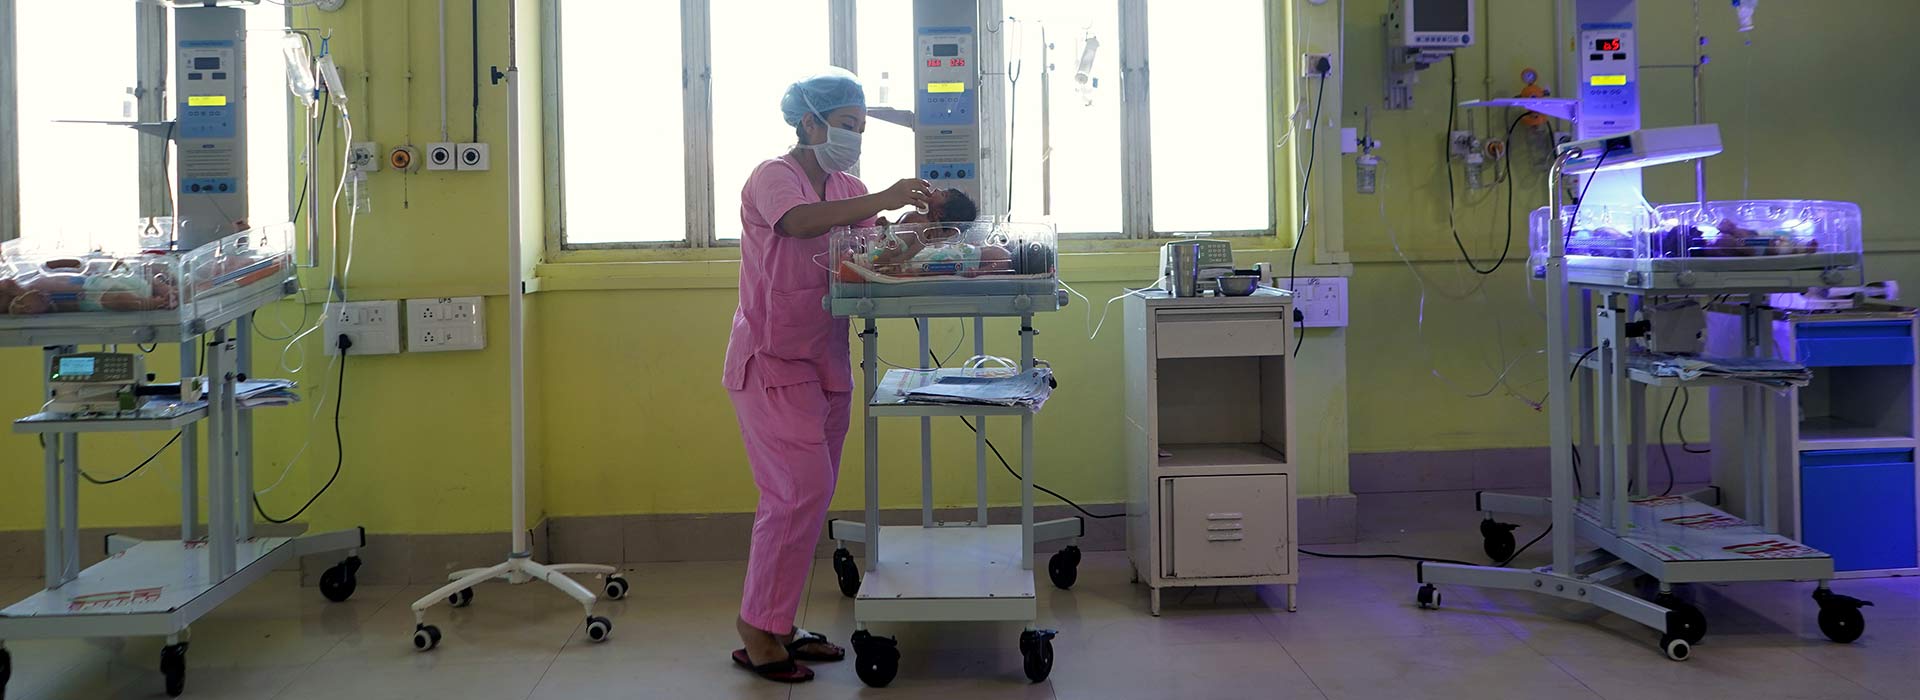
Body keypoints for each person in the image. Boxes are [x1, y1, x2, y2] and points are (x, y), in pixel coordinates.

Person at [721, 68, 932, 684]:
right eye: (844, 125)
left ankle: (777, 623)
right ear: (809, 122)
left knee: (808, 499)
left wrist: (918, 238)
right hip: (772, 358)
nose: (853, 137)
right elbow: (798, 225)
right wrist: (885, 198)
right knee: (795, 493)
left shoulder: (847, 184)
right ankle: (755, 629)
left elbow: (863, 253)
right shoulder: (773, 177)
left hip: (824, 360)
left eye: (860, 127)